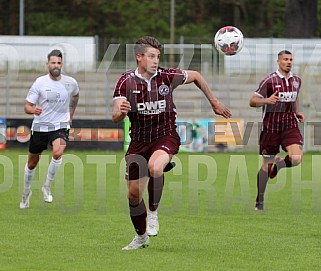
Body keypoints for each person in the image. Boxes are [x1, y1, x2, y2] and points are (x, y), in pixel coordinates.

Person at [112, 36, 232, 250]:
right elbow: (115, 115)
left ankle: (153, 214)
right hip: (138, 142)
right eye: (151, 56)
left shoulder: (167, 77)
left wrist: (214, 101)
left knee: (155, 167)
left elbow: (195, 76)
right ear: (139, 57)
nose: (155, 60)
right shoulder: (126, 81)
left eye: (157, 56)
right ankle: (140, 237)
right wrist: (120, 113)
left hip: (165, 135)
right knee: (132, 195)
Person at [19, 49, 79, 209]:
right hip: (40, 127)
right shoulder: (39, 83)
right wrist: (33, 110)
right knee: (32, 163)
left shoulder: (70, 82)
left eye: (59, 63)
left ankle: (46, 186)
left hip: (60, 126)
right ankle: (26, 193)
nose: (56, 65)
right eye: (53, 62)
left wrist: (71, 115)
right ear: (47, 64)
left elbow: (75, 95)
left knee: (58, 152)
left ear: (62, 64)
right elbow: (27, 106)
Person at [249, 50, 304, 211]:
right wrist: (267, 100)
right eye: (285, 59)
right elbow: (252, 101)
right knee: (266, 165)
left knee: (296, 158)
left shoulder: (297, 80)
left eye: (291, 59)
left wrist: (296, 112)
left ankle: (279, 165)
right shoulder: (269, 81)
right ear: (278, 62)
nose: (289, 62)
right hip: (270, 129)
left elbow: (295, 97)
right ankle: (259, 200)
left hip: (289, 126)